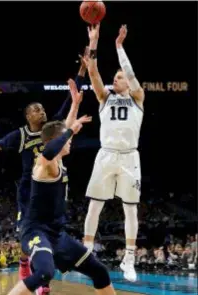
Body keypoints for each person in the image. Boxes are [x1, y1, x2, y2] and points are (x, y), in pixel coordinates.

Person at [0, 50, 88, 295]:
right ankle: (28, 268)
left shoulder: (53, 127)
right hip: (28, 192)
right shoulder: (20, 135)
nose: (41, 112)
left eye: (42, 109)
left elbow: (71, 98)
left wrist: (83, 70)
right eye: (36, 110)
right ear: (27, 115)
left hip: (52, 186)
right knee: (28, 238)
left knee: (50, 235)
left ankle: (43, 281)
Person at [7, 82, 116, 295]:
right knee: (45, 273)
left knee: (99, 271)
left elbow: (59, 132)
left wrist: (74, 105)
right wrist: (70, 130)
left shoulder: (58, 159)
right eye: (66, 138)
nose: (70, 141)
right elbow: (54, 142)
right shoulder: (42, 163)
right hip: (36, 231)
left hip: (57, 234)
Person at [83, 24, 145, 282]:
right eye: (115, 77)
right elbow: (93, 71)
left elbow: (130, 74)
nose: (116, 79)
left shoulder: (138, 97)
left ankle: (129, 259)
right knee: (95, 205)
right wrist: (94, 42)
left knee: (130, 210)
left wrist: (119, 47)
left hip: (130, 157)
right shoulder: (104, 98)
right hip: (106, 154)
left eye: (119, 77)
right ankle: (85, 253)